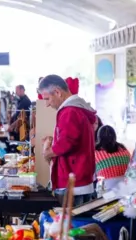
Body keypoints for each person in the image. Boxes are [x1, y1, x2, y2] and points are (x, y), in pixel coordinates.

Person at [38, 75, 97, 206]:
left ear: (58, 92)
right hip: (80, 177)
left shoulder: (69, 111)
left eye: (47, 99)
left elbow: (67, 143)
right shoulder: (77, 109)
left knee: (69, 224)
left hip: (73, 181)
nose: (47, 104)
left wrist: (49, 152)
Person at [94, 125, 131, 191]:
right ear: (115, 136)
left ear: (99, 138)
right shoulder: (124, 150)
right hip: (125, 187)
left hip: (104, 189)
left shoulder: (96, 153)